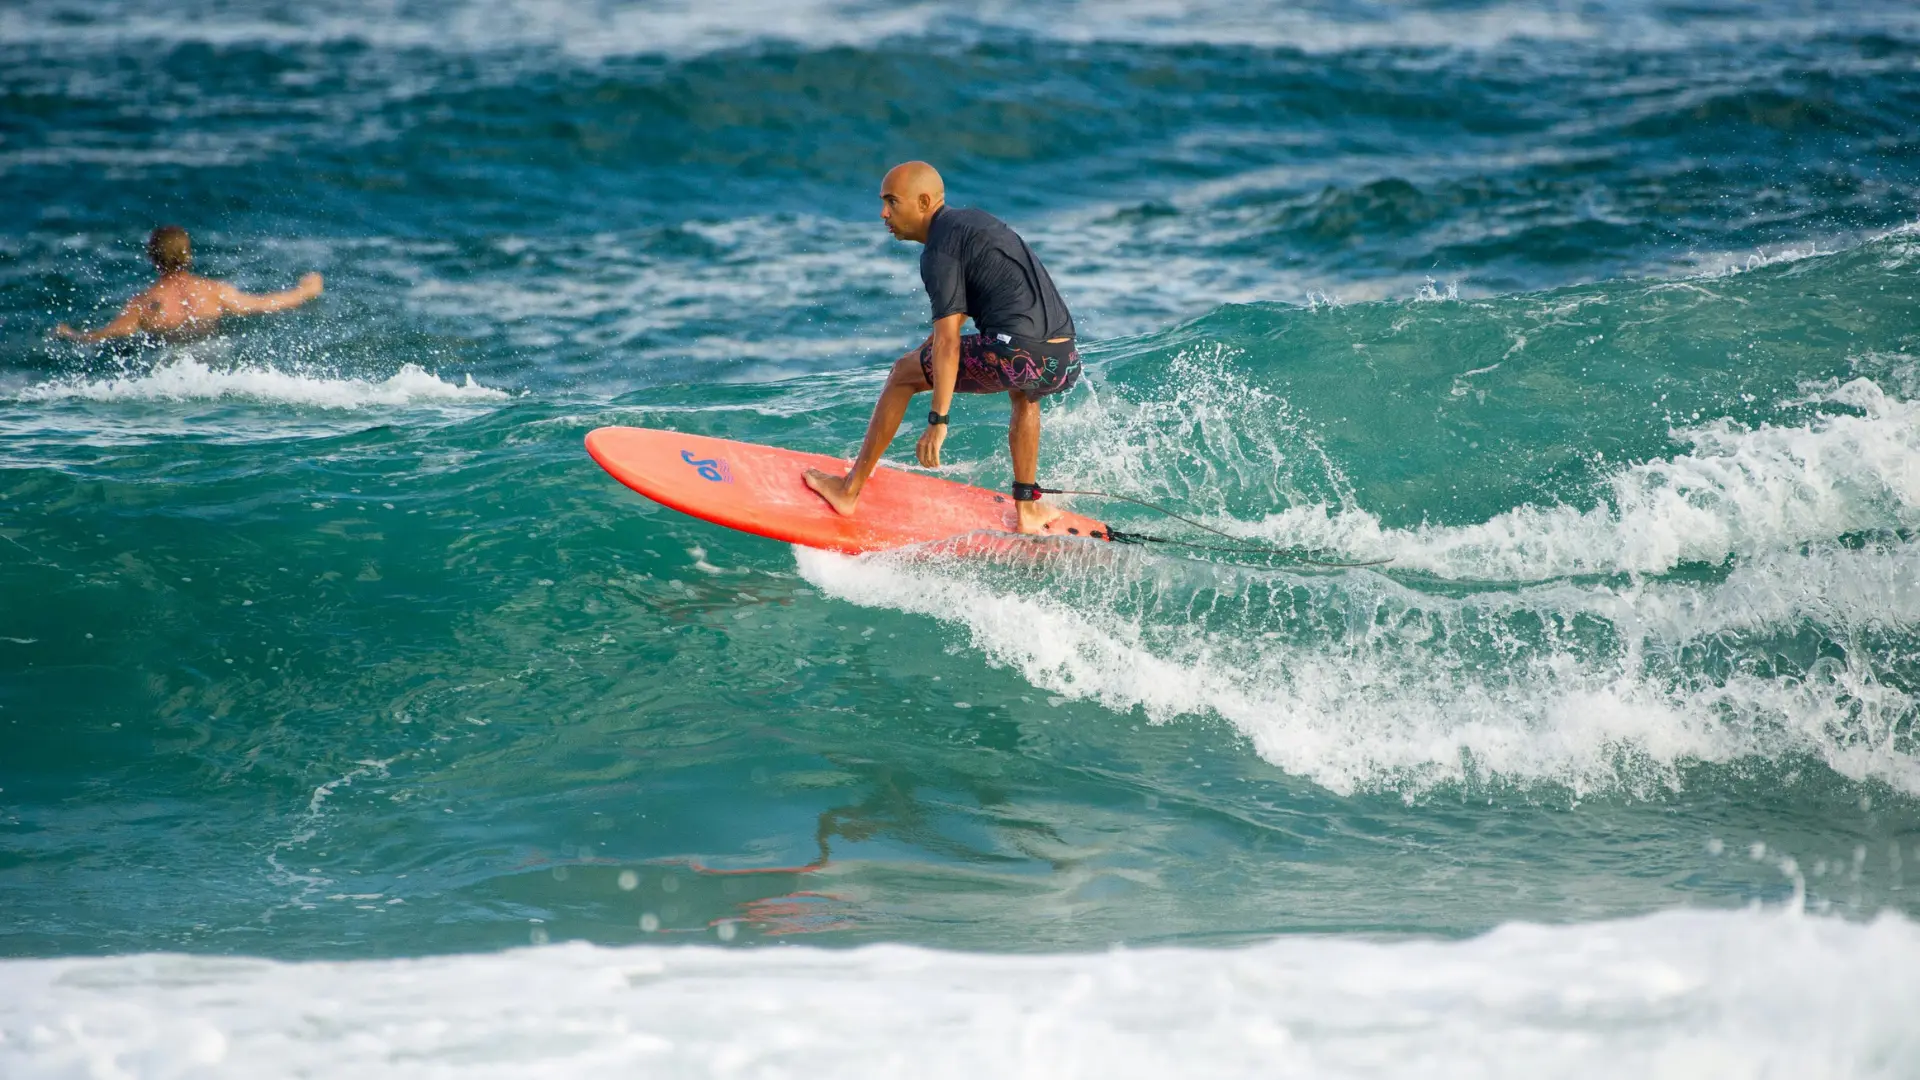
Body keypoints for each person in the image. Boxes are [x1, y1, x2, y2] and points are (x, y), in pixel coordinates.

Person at [803, 161, 1081, 534]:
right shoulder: (972, 224)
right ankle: (1027, 509)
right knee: (1023, 394)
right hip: (1062, 358)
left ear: (922, 202)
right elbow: (959, 321)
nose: (883, 213)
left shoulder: (940, 249)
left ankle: (848, 490)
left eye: (891, 201)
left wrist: (938, 420)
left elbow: (949, 341)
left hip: (1017, 353)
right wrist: (925, 353)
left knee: (903, 374)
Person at [53, 226, 323, 344]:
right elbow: (260, 304)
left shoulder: (144, 303)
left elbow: (113, 332)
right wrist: (305, 291)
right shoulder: (212, 291)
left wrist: (72, 335)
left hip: (170, 363)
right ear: (189, 254)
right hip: (212, 352)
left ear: (152, 258)